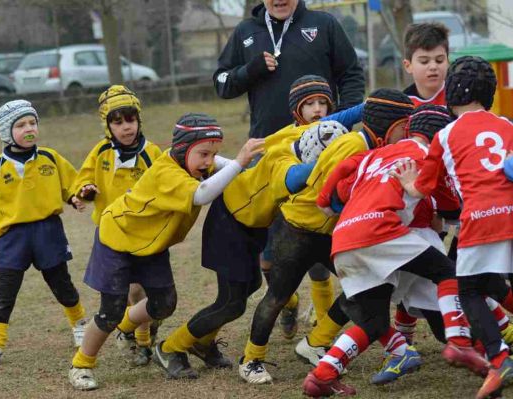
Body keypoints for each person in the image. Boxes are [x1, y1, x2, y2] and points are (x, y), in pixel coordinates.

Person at [302, 107, 491, 398]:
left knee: (373, 322)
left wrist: (336, 207)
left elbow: (330, 192)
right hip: (381, 230)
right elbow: (451, 208)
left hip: (342, 239)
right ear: (439, 138)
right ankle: (459, 342)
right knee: (447, 272)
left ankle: (322, 375)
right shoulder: (427, 157)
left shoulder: (371, 156)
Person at [68, 113, 264, 391]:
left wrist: (249, 164)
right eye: (204, 154)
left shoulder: (192, 163)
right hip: (118, 238)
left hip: (151, 245)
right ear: (184, 150)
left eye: (213, 154)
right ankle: (81, 364)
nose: (209, 161)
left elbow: (221, 167)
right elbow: (202, 194)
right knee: (109, 311)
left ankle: (125, 328)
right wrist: (240, 162)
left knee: (164, 304)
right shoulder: (168, 172)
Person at [238, 88, 414, 384]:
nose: (406, 133)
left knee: (362, 289)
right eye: (404, 126)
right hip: (297, 229)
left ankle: (316, 342)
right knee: (278, 296)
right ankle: (251, 359)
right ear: (389, 125)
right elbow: (325, 190)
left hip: (330, 233)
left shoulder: (370, 145)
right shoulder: (350, 146)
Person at [153, 117, 348, 380]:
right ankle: (170, 347)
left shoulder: (302, 133)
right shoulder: (285, 158)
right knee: (231, 304)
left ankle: (202, 342)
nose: (318, 112)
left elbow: (342, 117)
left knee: (251, 287)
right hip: (230, 224)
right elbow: (295, 178)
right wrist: (332, 162)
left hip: (251, 226)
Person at [392, 55, 513, 399]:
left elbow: (422, 189)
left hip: (481, 218)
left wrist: (408, 181)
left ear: (451, 94)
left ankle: (499, 357)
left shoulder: (445, 135)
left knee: (469, 290)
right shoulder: (507, 125)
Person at [0, 100, 88, 367]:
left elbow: (72, 184)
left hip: (48, 231)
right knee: (5, 292)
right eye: (21, 125)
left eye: (33, 123)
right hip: (13, 238)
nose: (29, 129)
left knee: (62, 284)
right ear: (6, 132)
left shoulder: (50, 158)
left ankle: (80, 324)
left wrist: (75, 198)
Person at [262, 74, 364, 340]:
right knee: (277, 277)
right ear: (297, 109)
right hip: (291, 220)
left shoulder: (337, 135)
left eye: (323, 102)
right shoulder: (285, 139)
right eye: (310, 104)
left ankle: (321, 329)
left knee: (322, 271)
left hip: (328, 218)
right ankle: (291, 306)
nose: (318, 109)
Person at [73, 85, 162, 365]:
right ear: (107, 125)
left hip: (144, 233)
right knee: (120, 294)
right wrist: (85, 189)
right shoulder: (101, 152)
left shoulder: (152, 153)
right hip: (110, 234)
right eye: (118, 121)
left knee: (140, 290)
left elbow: (167, 182)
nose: (126, 127)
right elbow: (82, 179)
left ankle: (143, 340)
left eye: (131, 120)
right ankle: (134, 335)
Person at [214, 0, 364, 139]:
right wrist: (248, 71)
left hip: (320, 139)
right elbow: (222, 84)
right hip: (267, 143)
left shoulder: (324, 24)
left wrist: (341, 120)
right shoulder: (245, 31)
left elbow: (351, 75)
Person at [402, 22, 450, 107]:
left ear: (448, 62)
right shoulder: (402, 105)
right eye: (424, 61)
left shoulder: (461, 99)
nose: (433, 67)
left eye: (439, 60)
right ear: (408, 66)